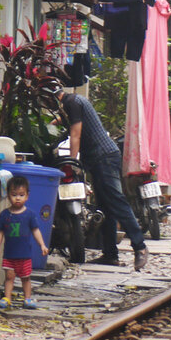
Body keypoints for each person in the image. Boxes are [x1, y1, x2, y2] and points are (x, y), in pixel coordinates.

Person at [55, 85, 149, 271]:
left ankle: (140, 247)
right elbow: (65, 123)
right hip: (102, 157)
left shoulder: (71, 103)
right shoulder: (74, 101)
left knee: (116, 202)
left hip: (103, 157)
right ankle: (110, 254)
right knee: (105, 207)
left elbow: (75, 135)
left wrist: (73, 163)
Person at [0, 174, 48, 309]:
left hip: (24, 255)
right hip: (9, 254)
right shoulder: (4, 214)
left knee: (26, 278)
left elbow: (35, 230)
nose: (18, 198)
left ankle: (27, 298)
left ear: (27, 196)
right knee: (9, 277)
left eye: (21, 195)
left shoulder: (29, 214)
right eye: (14, 194)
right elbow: (0, 231)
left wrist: (42, 245)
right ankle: (7, 298)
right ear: (8, 195)